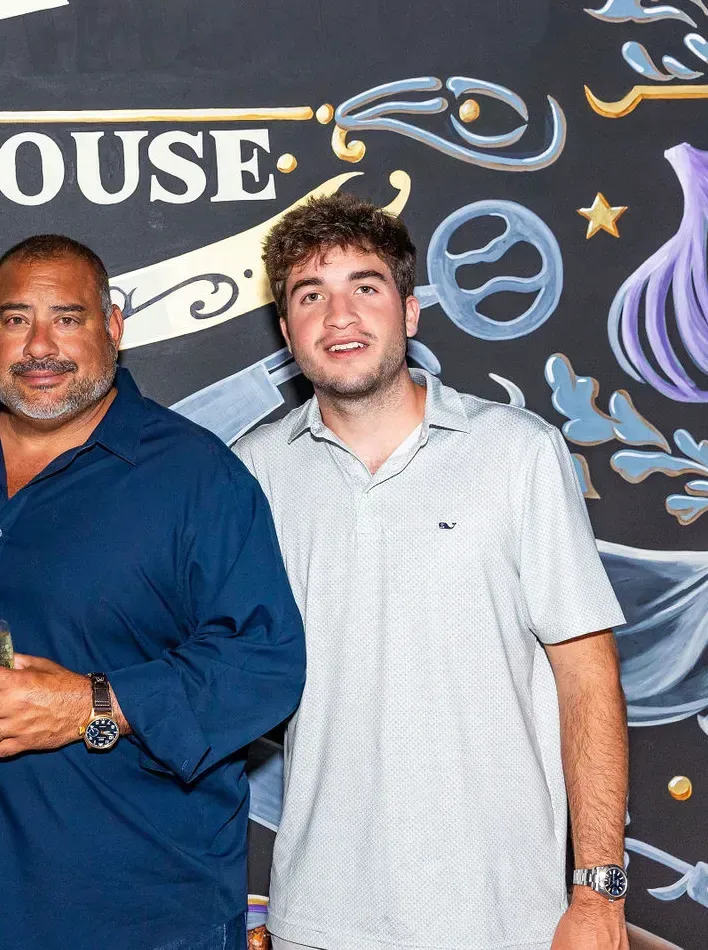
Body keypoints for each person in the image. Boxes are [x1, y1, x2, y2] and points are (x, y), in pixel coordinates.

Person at [0, 234, 306, 950]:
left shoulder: (196, 478)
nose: (40, 345)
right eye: (17, 319)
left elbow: (264, 663)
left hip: (125, 910)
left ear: (112, 327)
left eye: (67, 318)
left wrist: (92, 703)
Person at [232, 194, 630, 950]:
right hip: (319, 916)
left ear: (409, 312)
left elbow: (588, 675)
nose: (339, 315)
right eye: (311, 295)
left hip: (504, 917)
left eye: (366, 287)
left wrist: (600, 892)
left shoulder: (517, 452)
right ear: (287, 333)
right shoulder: (252, 474)